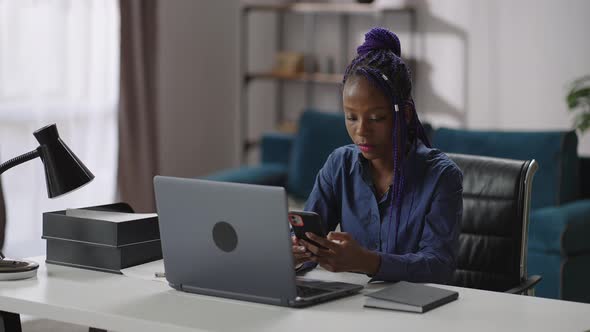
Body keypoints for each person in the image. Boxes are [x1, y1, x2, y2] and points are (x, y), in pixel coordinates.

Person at [292, 27, 463, 284]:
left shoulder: (441, 176)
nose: (361, 130)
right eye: (351, 117)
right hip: (353, 308)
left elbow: (438, 266)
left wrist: (367, 261)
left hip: (418, 316)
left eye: (376, 118)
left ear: (404, 115)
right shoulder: (339, 165)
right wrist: (296, 252)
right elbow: (310, 240)